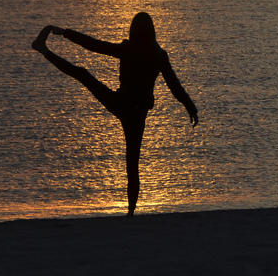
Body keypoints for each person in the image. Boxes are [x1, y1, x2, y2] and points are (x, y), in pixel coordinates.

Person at [31, 12, 198, 215]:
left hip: (120, 104)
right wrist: (190, 106)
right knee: (132, 162)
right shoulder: (157, 54)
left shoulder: (130, 50)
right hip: (136, 112)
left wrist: (64, 33)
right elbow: (174, 86)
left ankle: (43, 50)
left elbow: (94, 45)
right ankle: (130, 212)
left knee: (82, 74)